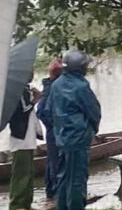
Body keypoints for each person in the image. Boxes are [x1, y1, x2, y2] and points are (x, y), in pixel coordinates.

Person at [42, 50, 101, 210]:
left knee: (62, 178)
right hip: (78, 140)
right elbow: (94, 111)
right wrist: (91, 131)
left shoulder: (56, 84)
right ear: (81, 68)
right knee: (77, 180)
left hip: (61, 139)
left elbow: (47, 110)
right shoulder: (81, 86)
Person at [9, 77, 42, 210]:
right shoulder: (16, 91)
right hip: (21, 138)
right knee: (21, 173)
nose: (32, 73)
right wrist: (35, 99)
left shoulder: (25, 89)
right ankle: (17, 205)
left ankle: (27, 203)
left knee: (29, 172)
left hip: (28, 137)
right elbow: (21, 111)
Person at [37, 58, 63, 199]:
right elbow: (41, 111)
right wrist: (55, 124)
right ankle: (55, 193)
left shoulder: (56, 86)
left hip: (56, 131)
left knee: (52, 161)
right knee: (55, 162)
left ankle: (51, 191)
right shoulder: (51, 88)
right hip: (55, 131)